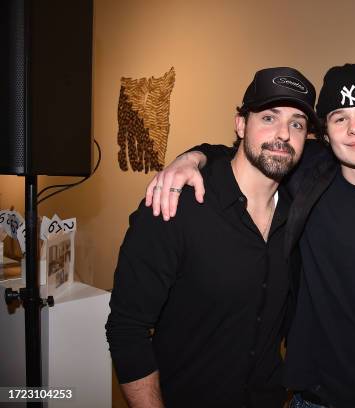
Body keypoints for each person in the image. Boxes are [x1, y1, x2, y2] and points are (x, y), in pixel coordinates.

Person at [146, 64, 355, 408]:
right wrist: (191, 158)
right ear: (324, 133)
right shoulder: (307, 174)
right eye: (339, 118)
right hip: (308, 399)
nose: (354, 128)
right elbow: (248, 148)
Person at [106, 67, 320, 408]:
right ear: (240, 124)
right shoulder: (175, 204)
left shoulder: (299, 215)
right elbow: (127, 329)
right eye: (268, 117)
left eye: (297, 123)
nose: (283, 134)